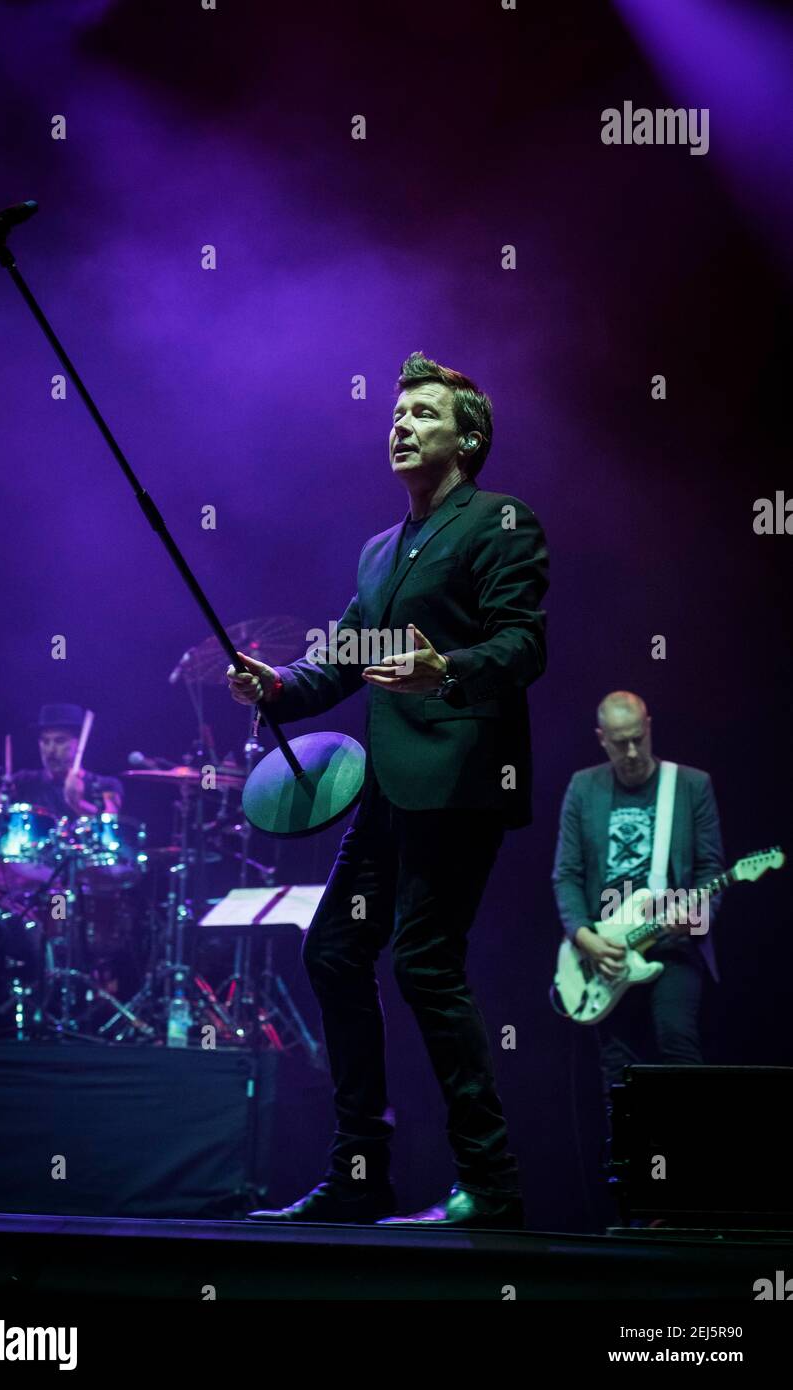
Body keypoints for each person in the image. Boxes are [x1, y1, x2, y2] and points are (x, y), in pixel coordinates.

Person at [228, 352, 549, 1227]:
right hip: (388, 791)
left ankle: (491, 1184)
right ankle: (360, 1172)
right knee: (333, 952)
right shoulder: (380, 549)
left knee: (422, 964)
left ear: (467, 440)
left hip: (459, 781)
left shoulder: (500, 522)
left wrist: (448, 669)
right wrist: (276, 685)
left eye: (423, 414)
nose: (401, 425)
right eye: (397, 413)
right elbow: (344, 657)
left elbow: (523, 644)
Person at [551, 690, 724, 1105]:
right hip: (607, 949)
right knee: (618, 1067)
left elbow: (710, 871)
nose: (631, 752)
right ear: (601, 739)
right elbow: (567, 874)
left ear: (648, 728)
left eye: (637, 739)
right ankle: (629, 1148)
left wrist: (695, 919)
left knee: (676, 1041)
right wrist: (585, 938)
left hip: (672, 945)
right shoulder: (583, 787)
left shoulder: (690, 785)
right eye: (619, 742)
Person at [0, 703, 122, 832]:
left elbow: (112, 826)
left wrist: (78, 804)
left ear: (79, 743)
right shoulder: (22, 781)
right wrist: (0, 801)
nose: (50, 750)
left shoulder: (105, 785)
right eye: (45, 741)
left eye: (60, 741)